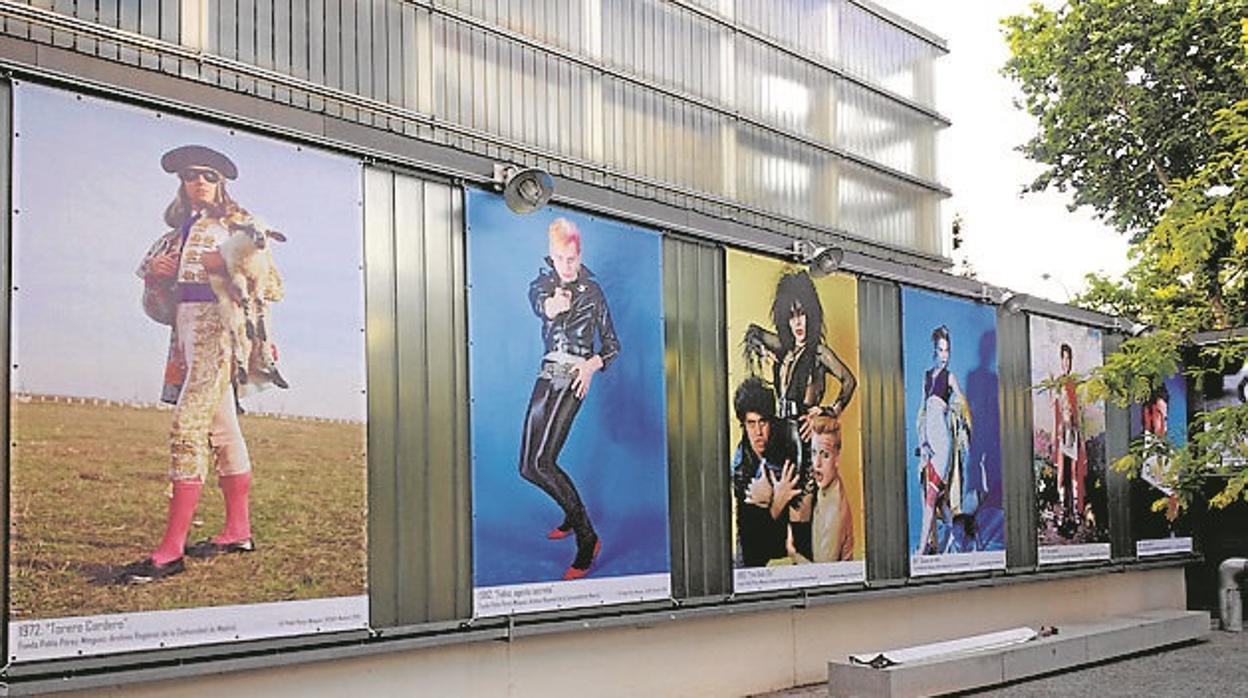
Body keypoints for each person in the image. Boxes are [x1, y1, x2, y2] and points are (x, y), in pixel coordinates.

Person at [119, 145, 270, 584]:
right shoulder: (174, 235)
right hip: (185, 336)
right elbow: (158, 308)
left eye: (208, 175)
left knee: (187, 428)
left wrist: (224, 265)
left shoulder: (240, 226)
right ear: (181, 183)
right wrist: (156, 275)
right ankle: (237, 531)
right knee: (223, 430)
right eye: (190, 175)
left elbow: (269, 286)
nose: (198, 182)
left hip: (220, 334)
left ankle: (170, 551)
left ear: (222, 183)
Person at [520, 217, 618, 580]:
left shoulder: (593, 292)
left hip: (573, 378)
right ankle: (570, 512)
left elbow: (612, 345)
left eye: (572, 259)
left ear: (580, 255)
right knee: (527, 466)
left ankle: (587, 537)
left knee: (544, 461)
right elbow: (539, 304)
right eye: (561, 258)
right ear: (551, 255)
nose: (567, 266)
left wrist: (591, 366)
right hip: (547, 374)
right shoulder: (543, 284)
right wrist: (552, 304)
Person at [743, 270, 856, 560]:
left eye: (802, 314)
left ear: (811, 315)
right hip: (779, 434)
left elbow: (849, 381)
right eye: (792, 315)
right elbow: (753, 332)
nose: (798, 322)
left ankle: (806, 574)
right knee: (768, 506)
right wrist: (764, 354)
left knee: (799, 513)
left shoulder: (818, 353)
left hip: (802, 439)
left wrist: (828, 411)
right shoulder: (786, 349)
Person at [915, 325, 971, 555]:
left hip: (943, 441)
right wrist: (923, 442)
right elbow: (922, 412)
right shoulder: (927, 377)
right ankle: (954, 541)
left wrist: (954, 410)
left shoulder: (950, 377)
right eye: (941, 350)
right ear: (935, 350)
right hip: (929, 442)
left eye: (948, 350)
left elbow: (963, 403)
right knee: (940, 501)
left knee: (932, 495)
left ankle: (921, 549)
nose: (945, 355)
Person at [730, 377, 790, 567]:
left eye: (763, 422)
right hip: (753, 558)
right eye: (751, 423)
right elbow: (754, 548)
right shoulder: (741, 468)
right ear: (743, 424)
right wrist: (777, 502)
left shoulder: (785, 437)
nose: (758, 432)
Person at [787, 416, 853, 564]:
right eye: (814, 452)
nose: (817, 463)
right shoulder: (829, 482)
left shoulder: (833, 514)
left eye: (825, 455)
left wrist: (792, 552)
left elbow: (822, 573)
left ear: (837, 459)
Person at [1052, 343, 1087, 529]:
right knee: (1061, 472)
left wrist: (1081, 438)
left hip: (1073, 431)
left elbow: (1079, 412)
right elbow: (1055, 411)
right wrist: (1054, 436)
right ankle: (1061, 511)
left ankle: (1075, 511)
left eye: (1069, 359)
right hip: (1061, 432)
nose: (1066, 362)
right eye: (1064, 358)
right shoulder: (1057, 383)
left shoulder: (1075, 384)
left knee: (1073, 470)